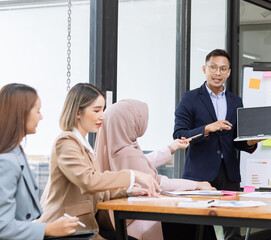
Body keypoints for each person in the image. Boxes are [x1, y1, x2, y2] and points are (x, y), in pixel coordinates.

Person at [39, 83, 160, 240]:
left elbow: (96, 191)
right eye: (96, 111)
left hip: (85, 227)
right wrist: (132, 174)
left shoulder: (83, 145)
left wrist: (127, 191)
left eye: (102, 110)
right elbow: (89, 182)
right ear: (77, 112)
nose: (102, 115)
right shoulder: (66, 142)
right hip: (65, 229)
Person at [95, 99, 216, 240]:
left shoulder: (112, 145)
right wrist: (197, 185)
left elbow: (142, 162)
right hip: (136, 221)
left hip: (117, 218)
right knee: (196, 223)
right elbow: (157, 183)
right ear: (129, 121)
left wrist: (171, 148)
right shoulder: (126, 151)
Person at [173, 49, 260, 240]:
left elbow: (238, 141)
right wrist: (207, 129)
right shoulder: (190, 98)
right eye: (213, 68)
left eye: (222, 69)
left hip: (229, 174)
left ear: (229, 72)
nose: (217, 73)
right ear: (205, 69)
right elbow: (179, 134)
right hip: (199, 174)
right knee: (198, 230)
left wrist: (252, 141)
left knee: (233, 229)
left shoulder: (235, 100)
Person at [0, 83, 78, 240]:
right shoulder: (7, 162)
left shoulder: (17, 153)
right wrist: (48, 229)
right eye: (37, 111)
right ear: (21, 114)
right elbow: (3, 227)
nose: (41, 117)